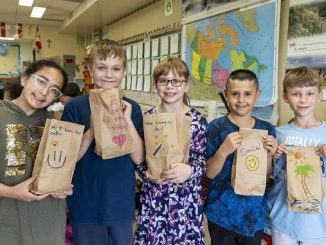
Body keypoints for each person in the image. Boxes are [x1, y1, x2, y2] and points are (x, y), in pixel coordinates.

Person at [61, 39, 144, 245]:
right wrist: (90, 130)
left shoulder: (132, 107)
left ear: (124, 71)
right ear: (90, 70)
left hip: (121, 200)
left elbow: (139, 157)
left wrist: (126, 120)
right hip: (85, 200)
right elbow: (68, 159)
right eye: (101, 68)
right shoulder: (75, 107)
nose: (109, 75)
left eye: (116, 68)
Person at [134, 57, 208, 244]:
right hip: (155, 199)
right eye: (163, 81)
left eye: (176, 81)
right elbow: (140, 159)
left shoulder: (197, 120)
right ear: (155, 84)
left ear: (186, 85)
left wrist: (189, 170)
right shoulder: (146, 118)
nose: (169, 86)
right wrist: (147, 173)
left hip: (186, 200)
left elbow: (202, 161)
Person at [0, 59, 72, 245]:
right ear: (24, 79)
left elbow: (58, 169)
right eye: (41, 81)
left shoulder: (56, 124)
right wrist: (10, 192)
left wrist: (61, 186)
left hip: (48, 223)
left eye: (54, 90)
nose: (44, 92)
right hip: (8, 222)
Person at [204, 69, 278, 245]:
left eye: (248, 94)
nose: (241, 100)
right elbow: (209, 173)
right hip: (221, 212)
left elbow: (266, 174)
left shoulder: (266, 130)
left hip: (253, 213)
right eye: (235, 94)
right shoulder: (216, 127)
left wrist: (269, 154)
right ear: (227, 95)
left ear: (257, 95)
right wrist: (223, 150)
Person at [268, 67, 326, 245]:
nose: (303, 100)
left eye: (309, 93)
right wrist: (272, 155)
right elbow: (268, 174)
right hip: (284, 219)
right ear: (286, 97)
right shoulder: (277, 133)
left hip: (319, 223)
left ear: (320, 95)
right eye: (296, 94)